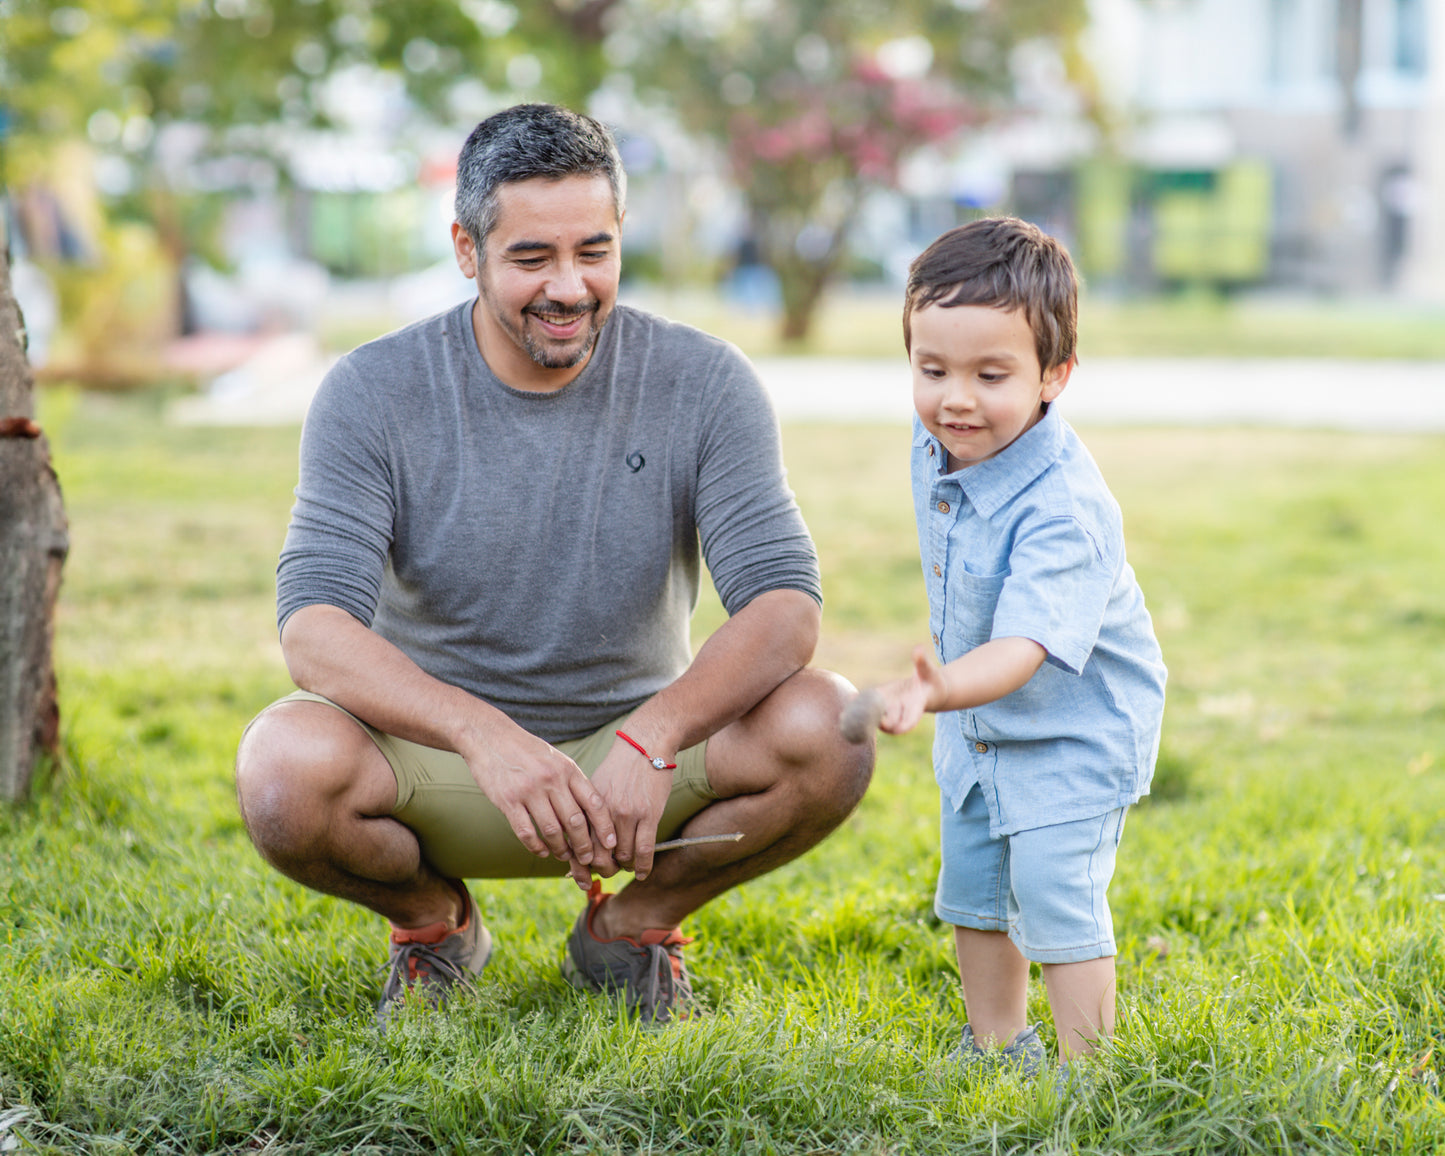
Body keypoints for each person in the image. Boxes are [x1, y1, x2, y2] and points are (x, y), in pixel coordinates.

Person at [234, 103, 873, 1026]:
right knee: (281, 769)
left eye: (594, 251)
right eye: (532, 258)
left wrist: (654, 735)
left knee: (832, 724)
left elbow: (783, 608)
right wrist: (482, 735)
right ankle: (434, 925)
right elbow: (314, 631)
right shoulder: (370, 391)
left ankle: (633, 929)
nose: (569, 287)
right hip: (443, 766)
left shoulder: (705, 379)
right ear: (467, 249)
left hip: (640, 769)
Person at [846, 217, 1166, 1075]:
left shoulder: (1064, 509)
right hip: (981, 727)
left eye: (991, 375)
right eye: (931, 369)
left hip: (1073, 730)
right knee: (977, 893)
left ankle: (1087, 1072)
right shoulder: (946, 438)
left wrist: (937, 689)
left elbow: (1024, 647)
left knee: (1054, 895)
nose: (955, 399)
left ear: (1055, 376)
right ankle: (994, 1043)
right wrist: (953, 701)